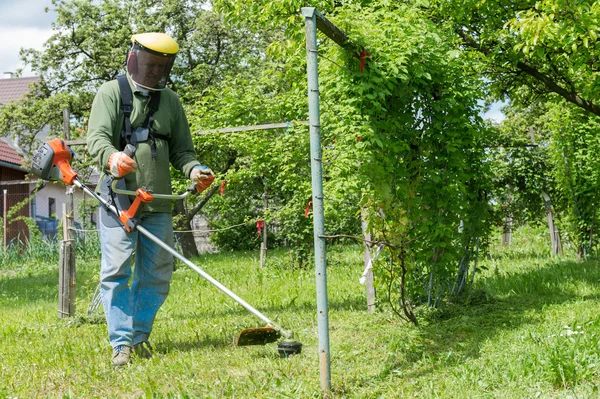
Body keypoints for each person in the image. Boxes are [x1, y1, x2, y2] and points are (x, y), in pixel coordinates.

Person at [87, 32, 214, 367]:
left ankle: (139, 337)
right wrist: (112, 158)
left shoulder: (171, 101)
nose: (157, 71)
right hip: (120, 199)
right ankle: (121, 344)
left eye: (163, 66)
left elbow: (183, 151)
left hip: (158, 201)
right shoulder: (111, 93)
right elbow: (97, 138)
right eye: (152, 64)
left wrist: (195, 170)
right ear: (134, 59)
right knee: (115, 271)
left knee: (157, 274)